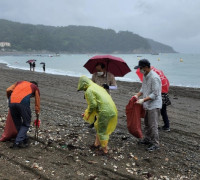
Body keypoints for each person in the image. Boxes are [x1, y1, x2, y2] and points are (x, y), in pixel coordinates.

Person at [78, 76, 118, 154]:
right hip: (112, 109)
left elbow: (93, 105)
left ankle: (105, 150)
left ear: (84, 85)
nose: (84, 91)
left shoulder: (89, 90)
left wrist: (88, 113)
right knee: (99, 127)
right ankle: (96, 144)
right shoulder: (96, 87)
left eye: (83, 89)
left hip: (105, 111)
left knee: (102, 131)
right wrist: (87, 113)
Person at [133, 59, 162, 151]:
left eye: (141, 68)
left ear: (146, 67)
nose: (140, 70)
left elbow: (155, 93)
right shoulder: (145, 76)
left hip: (154, 105)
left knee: (153, 125)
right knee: (146, 124)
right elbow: (143, 88)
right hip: (147, 104)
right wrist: (137, 95)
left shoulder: (154, 77)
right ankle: (147, 139)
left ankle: (155, 144)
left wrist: (143, 100)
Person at [6, 81, 40, 148]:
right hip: (23, 103)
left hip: (11, 101)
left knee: (17, 122)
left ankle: (23, 138)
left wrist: (9, 99)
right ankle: (17, 142)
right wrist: (37, 112)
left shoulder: (19, 83)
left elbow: (8, 90)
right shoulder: (35, 87)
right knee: (26, 123)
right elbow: (37, 101)